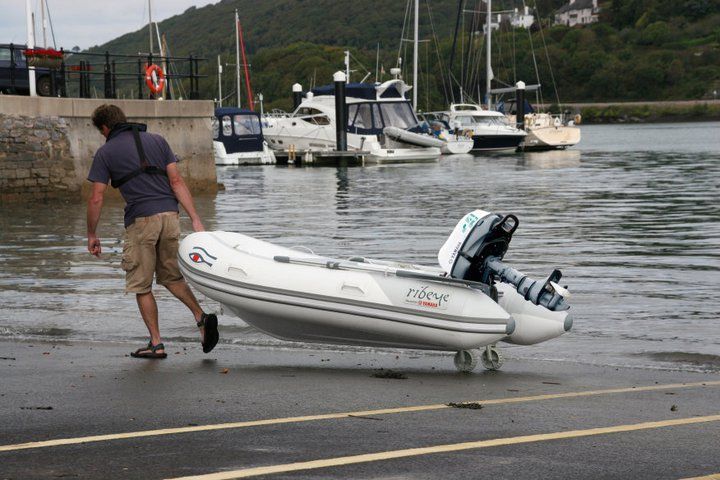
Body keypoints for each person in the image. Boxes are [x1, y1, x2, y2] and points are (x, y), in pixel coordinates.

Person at [86, 104, 218, 359]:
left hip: (142, 221)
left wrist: (92, 234)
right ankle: (201, 317)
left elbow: (96, 198)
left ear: (105, 128)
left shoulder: (106, 152)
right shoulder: (158, 140)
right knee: (171, 277)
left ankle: (156, 343)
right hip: (170, 217)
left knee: (141, 284)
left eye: (101, 132)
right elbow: (176, 182)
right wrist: (196, 219)